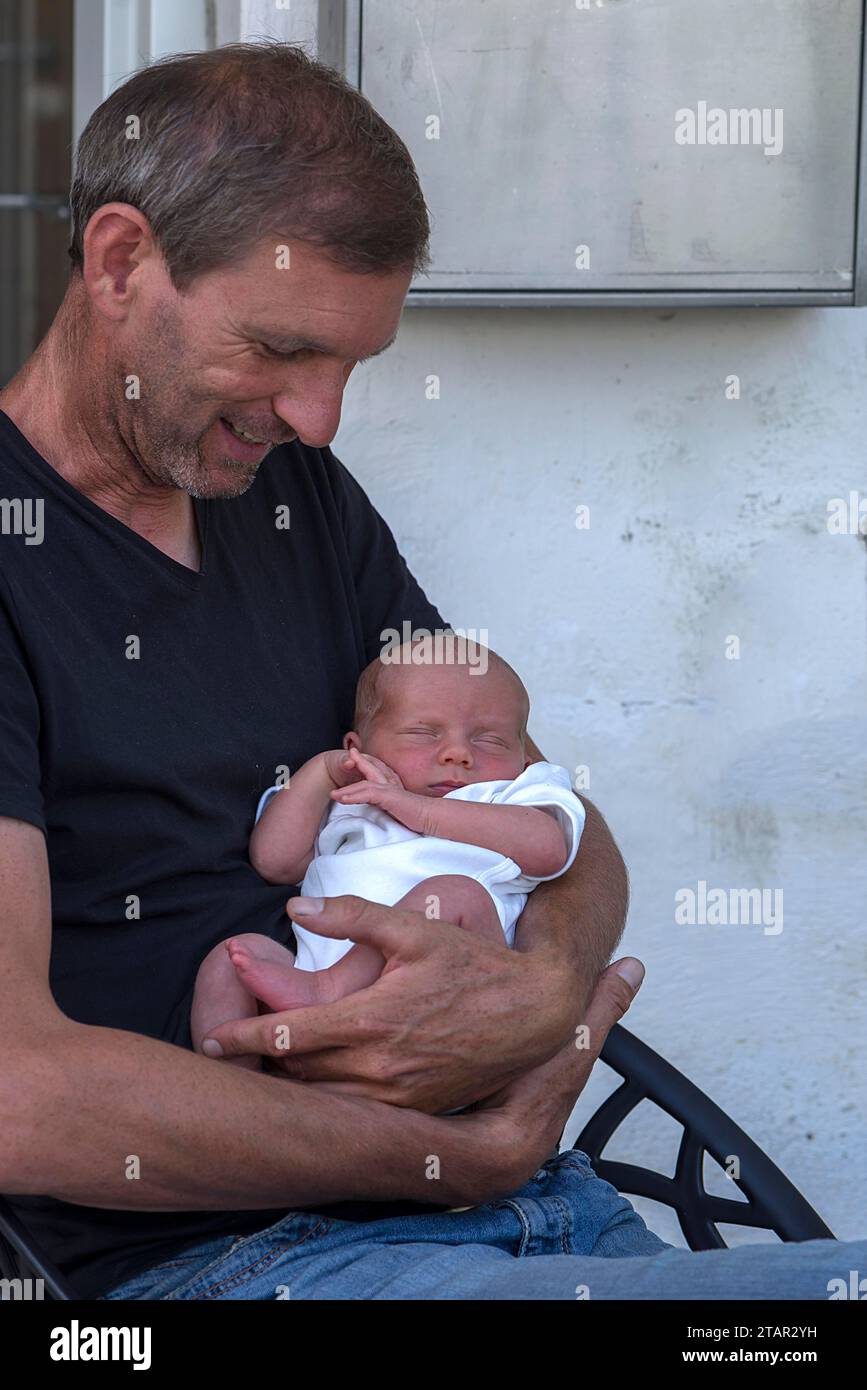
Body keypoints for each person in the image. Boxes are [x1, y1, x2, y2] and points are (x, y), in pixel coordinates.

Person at [1, 41, 863, 1301]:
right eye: (284, 350)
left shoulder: (301, 507)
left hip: (535, 1214)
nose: (320, 418)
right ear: (122, 260)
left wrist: (546, 988)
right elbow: (21, 1091)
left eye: (354, 365)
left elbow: (558, 821)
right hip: (239, 1265)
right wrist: (446, 1154)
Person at [190, 641, 586, 1058]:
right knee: (230, 960)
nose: (459, 753)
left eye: (489, 741)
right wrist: (325, 771)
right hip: (305, 981)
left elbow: (549, 850)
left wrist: (421, 811)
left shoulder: (514, 793)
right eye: (423, 733)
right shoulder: (351, 797)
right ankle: (237, 1089)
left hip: (447, 993)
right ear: (359, 749)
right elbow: (275, 863)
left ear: (524, 760)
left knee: (452, 894)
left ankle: (329, 989)